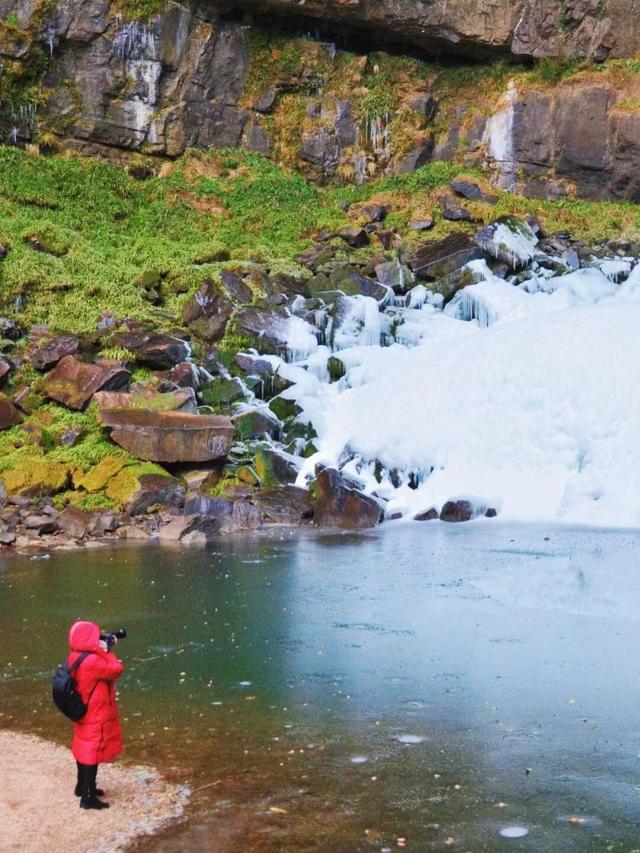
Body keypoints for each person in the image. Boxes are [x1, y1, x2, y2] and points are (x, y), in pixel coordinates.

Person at [67, 620, 124, 809]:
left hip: (83, 709)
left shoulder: (75, 656)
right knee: (92, 749)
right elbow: (116, 670)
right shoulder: (92, 660)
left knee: (83, 744)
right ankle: (88, 797)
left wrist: (99, 649)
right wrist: (106, 651)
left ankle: (82, 786)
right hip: (95, 712)